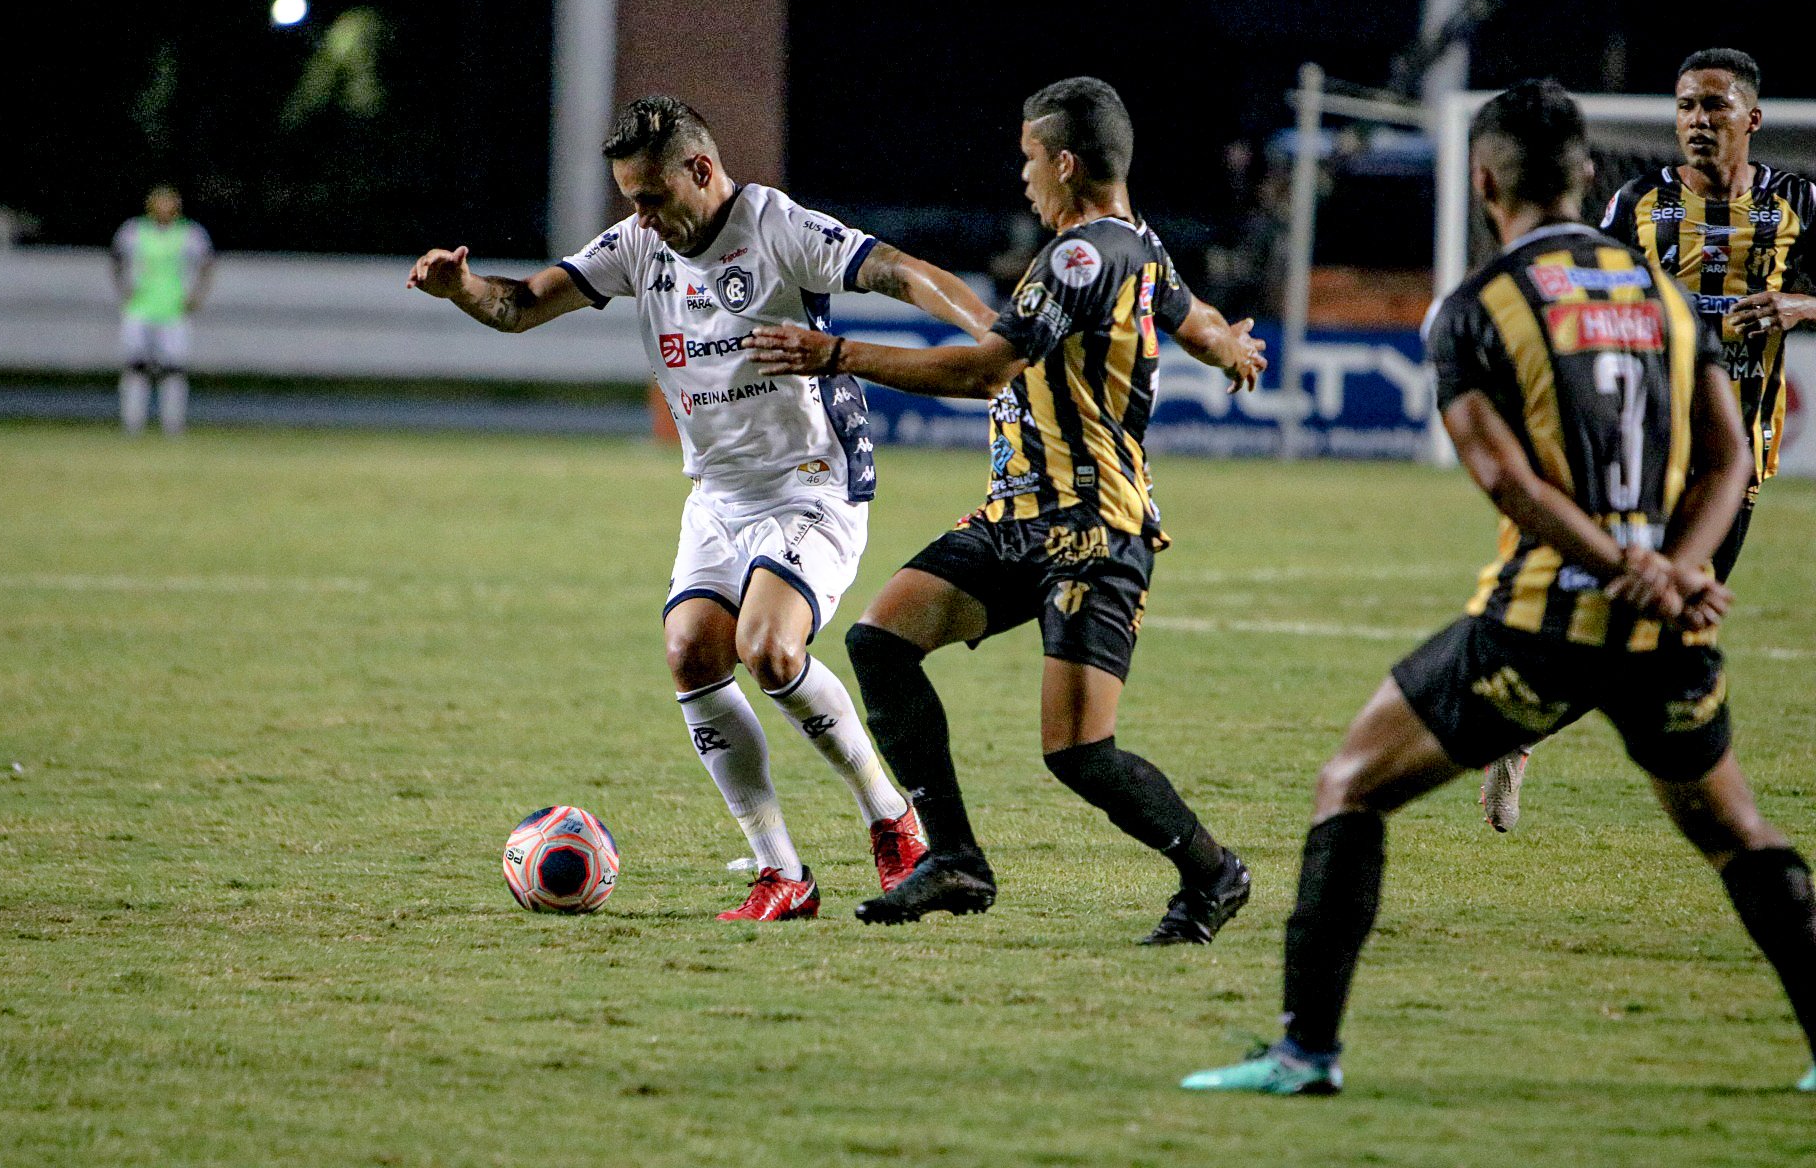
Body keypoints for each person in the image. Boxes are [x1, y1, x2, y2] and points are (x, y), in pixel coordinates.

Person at [1181, 80, 1816, 1096]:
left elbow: (1508, 481)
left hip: (1544, 623)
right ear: (1589, 177)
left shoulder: (1476, 306)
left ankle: (1307, 1050)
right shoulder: (1658, 291)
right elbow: (1731, 452)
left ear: (1483, 181)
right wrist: (1678, 569)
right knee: (1736, 827)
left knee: (1350, 784)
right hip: (1664, 624)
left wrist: (1622, 566)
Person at [408, 95, 1000, 921]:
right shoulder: (636, 247)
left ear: (702, 170)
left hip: (811, 484)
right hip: (718, 495)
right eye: (629, 201)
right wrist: (461, 286)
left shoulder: (776, 227)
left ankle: (892, 819)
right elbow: (518, 306)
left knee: (767, 649)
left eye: (653, 198)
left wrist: (992, 328)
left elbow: (901, 271)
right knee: (690, 649)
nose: (642, 219)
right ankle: (781, 874)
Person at [749, 77, 1267, 939]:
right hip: (1016, 519)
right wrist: (1229, 349)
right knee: (880, 642)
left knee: (1078, 756)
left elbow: (984, 371)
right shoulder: (1139, 247)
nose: (1022, 174)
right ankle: (954, 860)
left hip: (1092, 533)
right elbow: (1196, 317)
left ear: (1065, 163)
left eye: (1030, 157)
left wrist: (835, 352)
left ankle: (1214, 874)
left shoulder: (1078, 257)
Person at [1479, 48, 1816, 833]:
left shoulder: (1799, 200)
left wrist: (1801, 308)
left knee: (1658, 624)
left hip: (1738, 464)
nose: (1698, 122)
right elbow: (1579, 274)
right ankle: (1704, 801)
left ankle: (1521, 730)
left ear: (1752, 119)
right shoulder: (1637, 201)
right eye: (1687, 108)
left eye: (1714, 107)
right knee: (1644, 613)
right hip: (1641, 452)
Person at [112, 185, 213, 435]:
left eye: (169, 203)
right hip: (140, 308)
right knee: (136, 367)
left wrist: (197, 296)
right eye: (160, 202)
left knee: (174, 369)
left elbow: (207, 264)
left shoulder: (190, 233)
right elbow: (116, 260)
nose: (164, 208)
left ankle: (173, 425)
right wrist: (123, 290)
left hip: (174, 309)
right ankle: (132, 424)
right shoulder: (134, 231)